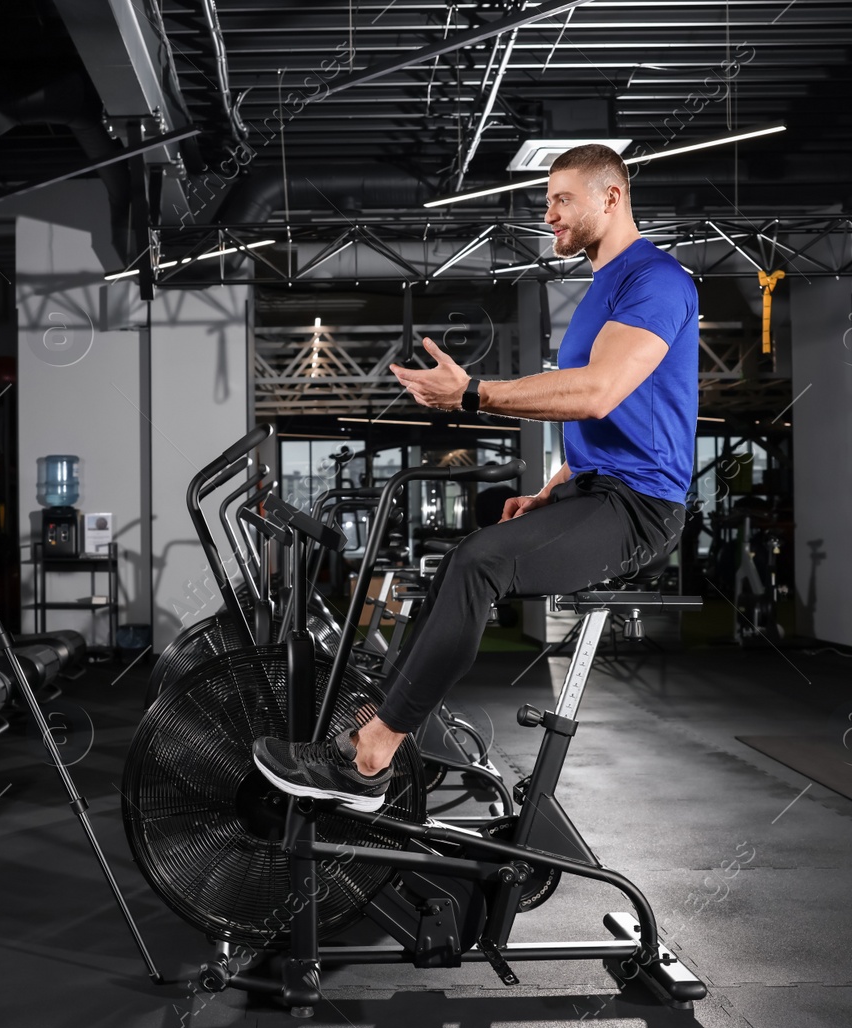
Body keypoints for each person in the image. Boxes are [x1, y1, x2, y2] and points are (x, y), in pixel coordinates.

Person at [252, 144, 698, 811]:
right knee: (457, 564)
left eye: (560, 199)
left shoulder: (656, 281)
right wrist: (555, 485)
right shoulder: (603, 287)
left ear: (612, 196)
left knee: (479, 564)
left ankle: (372, 756)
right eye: (546, 200)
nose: (547, 214)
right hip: (598, 490)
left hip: (640, 508)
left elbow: (599, 392)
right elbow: (608, 417)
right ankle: (390, 722)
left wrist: (472, 394)